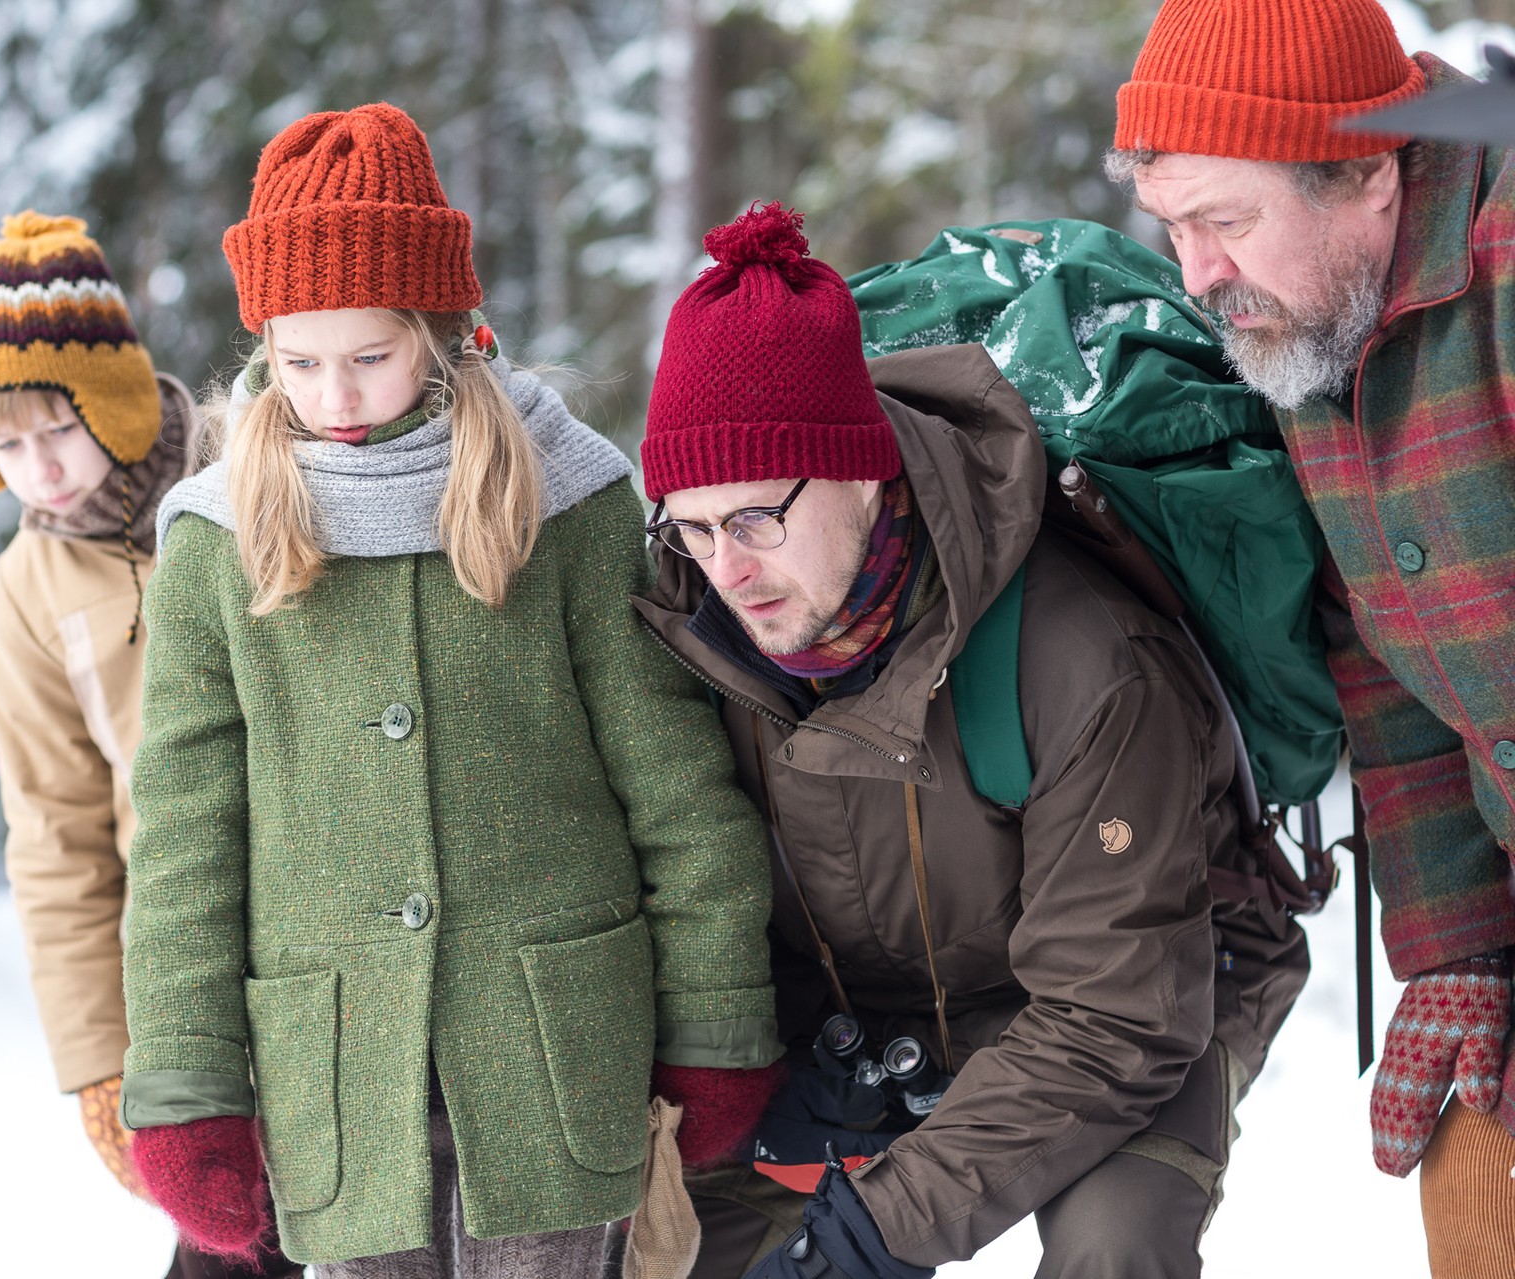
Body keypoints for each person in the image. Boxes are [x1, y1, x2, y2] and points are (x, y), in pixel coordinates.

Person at [116, 102, 784, 1278]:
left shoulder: (569, 505)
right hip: (337, 1075)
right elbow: (184, 842)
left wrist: (716, 1019)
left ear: (444, 328)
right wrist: (186, 1084)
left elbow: (677, 787)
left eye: (370, 355)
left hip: (556, 1051)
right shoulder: (215, 542)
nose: (336, 394)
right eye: (300, 360)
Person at [636, 202, 1307, 1278]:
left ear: (862, 470)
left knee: (1114, 1244)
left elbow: (1112, 1022)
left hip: (1133, 1004)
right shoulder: (691, 641)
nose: (730, 569)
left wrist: (878, 1228)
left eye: (760, 516)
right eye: (695, 525)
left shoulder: (1083, 657)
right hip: (853, 1033)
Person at [1104, 2, 1515, 1271]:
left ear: (1371, 172)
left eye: (1228, 222)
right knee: (1477, 1194)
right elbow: (1393, 677)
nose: (1198, 274)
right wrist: (1459, 949)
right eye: (1177, 228)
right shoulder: (1312, 326)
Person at [0, 212, 290, 1278]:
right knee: (235, 1247)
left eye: (56, 428)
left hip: (323, 921)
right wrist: (101, 1061)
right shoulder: (26, 591)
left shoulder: (243, 477)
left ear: (114, 394)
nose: (38, 469)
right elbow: (54, 836)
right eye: (4, 445)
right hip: (186, 974)